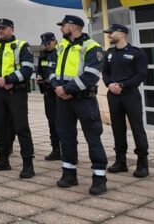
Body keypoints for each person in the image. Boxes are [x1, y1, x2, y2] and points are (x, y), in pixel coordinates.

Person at [49, 14, 108, 196]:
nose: (61, 28)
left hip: (83, 100)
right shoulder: (61, 45)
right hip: (63, 100)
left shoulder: (92, 47)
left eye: (63, 25)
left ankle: (99, 178)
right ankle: (69, 174)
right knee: (65, 137)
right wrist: (57, 87)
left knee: (93, 138)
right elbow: (51, 69)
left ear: (73, 27)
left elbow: (90, 76)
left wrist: (66, 90)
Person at [0, 18, 36, 179]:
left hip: (16, 92)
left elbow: (27, 69)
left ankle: (28, 165)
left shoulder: (22, 46)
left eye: (4, 28)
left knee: (21, 128)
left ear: (11, 29)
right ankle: (3, 160)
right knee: (0, 127)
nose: (0, 30)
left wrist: (8, 79)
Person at [103, 23, 149, 178]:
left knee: (137, 127)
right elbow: (105, 74)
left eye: (111, 33)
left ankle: (142, 163)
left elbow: (140, 75)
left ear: (121, 34)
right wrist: (109, 85)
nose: (109, 35)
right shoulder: (109, 53)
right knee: (117, 128)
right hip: (113, 96)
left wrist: (122, 85)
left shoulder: (137, 53)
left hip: (130, 95)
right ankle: (120, 161)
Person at [36, 32, 61, 161]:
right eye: (44, 44)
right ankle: (56, 149)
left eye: (48, 43)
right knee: (52, 122)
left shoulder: (60, 52)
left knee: (63, 123)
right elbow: (39, 70)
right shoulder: (43, 55)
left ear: (54, 40)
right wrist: (39, 78)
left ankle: (68, 150)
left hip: (60, 92)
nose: (46, 46)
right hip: (48, 93)